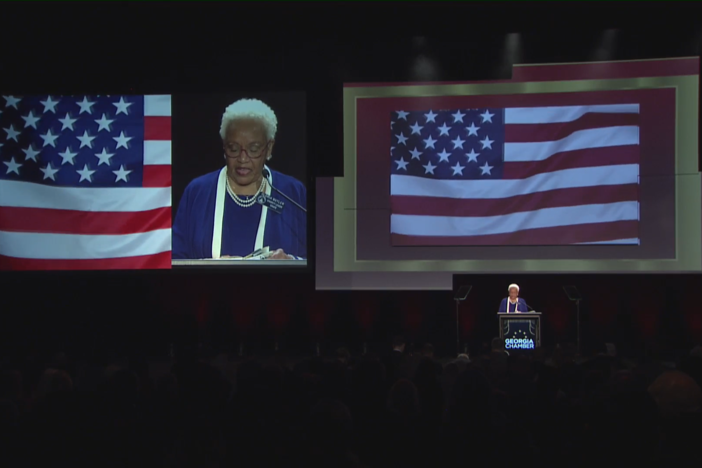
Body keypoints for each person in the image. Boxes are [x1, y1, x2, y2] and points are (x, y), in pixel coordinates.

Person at [172, 98, 306, 260]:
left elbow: (321, 261)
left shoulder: (292, 192)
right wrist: (209, 268)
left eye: (253, 149)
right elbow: (176, 259)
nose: (243, 158)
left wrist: (291, 262)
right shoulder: (197, 191)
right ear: (224, 146)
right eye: (233, 149)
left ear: (269, 147)